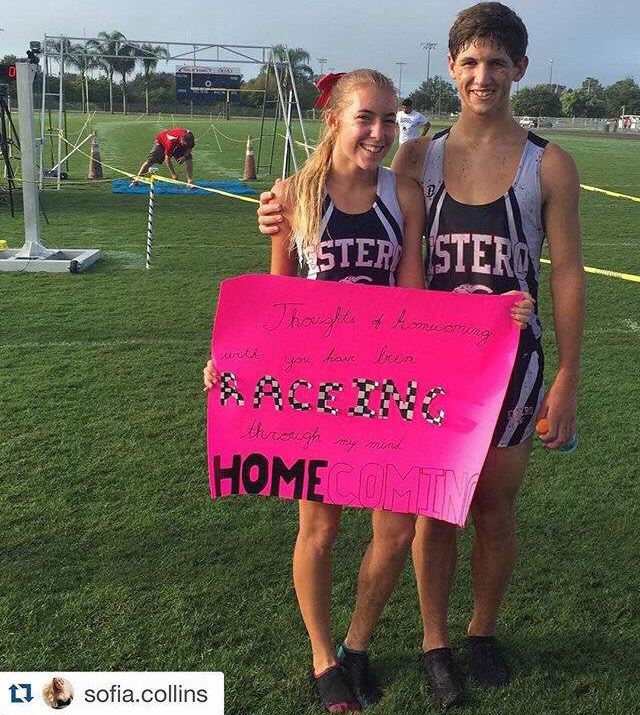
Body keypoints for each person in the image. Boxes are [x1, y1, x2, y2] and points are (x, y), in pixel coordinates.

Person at [256, 2, 584, 708]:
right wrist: (274, 215)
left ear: (519, 69)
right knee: (405, 516)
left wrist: (565, 369)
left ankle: (471, 633)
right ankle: (424, 644)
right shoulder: (414, 160)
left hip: (490, 366)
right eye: (470, 62)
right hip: (399, 373)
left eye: (497, 63)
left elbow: (559, 271)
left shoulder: (545, 163)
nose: (483, 75)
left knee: (486, 511)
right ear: (451, 69)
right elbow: (289, 291)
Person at [209, 66, 533, 713]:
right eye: (367, 118)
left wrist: (499, 313)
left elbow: (415, 303)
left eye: (389, 118)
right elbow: (280, 300)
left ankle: (358, 643)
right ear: (335, 120)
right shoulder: (296, 195)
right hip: (315, 395)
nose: (381, 132)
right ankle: (324, 657)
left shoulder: (403, 195)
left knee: (397, 527)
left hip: (386, 390)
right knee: (320, 528)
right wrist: (231, 361)